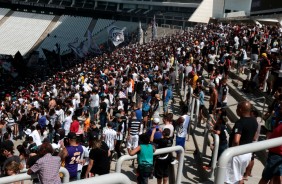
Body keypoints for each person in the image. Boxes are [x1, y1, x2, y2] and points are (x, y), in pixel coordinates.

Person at [225, 101, 258, 184]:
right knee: (239, 177)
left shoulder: (240, 123)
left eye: (237, 108)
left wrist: (232, 152)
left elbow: (236, 141)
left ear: (240, 110)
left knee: (230, 180)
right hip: (247, 154)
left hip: (237, 155)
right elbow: (254, 137)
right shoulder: (254, 121)